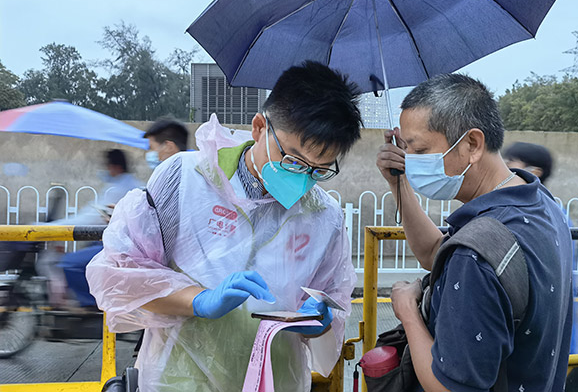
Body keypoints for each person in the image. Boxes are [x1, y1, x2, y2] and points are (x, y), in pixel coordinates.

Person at [87, 61, 362, 391]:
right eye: (293, 160)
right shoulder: (185, 180)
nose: (302, 178)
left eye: (318, 170)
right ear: (259, 127)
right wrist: (199, 301)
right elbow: (122, 275)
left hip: (275, 382)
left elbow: (332, 309)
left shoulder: (324, 217)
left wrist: (320, 322)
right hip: (179, 381)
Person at [376, 74, 573, 392]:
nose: (410, 163)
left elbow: (448, 387)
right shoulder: (540, 204)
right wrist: (398, 183)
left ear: (472, 144)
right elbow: (434, 254)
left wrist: (407, 312)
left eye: (420, 150)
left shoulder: (475, 256)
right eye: (406, 151)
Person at [503, 141, 578, 354]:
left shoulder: (538, 216)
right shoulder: (547, 210)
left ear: (534, 172)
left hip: (543, 338)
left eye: (510, 162)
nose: (503, 167)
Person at [57, 149, 142, 308]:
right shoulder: (122, 184)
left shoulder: (118, 189)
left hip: (121, 244)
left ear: (115, 167)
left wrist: (54, 227)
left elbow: (90, 217)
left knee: (70, 263)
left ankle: (93, 305)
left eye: (107, 166)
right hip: (117, 240)